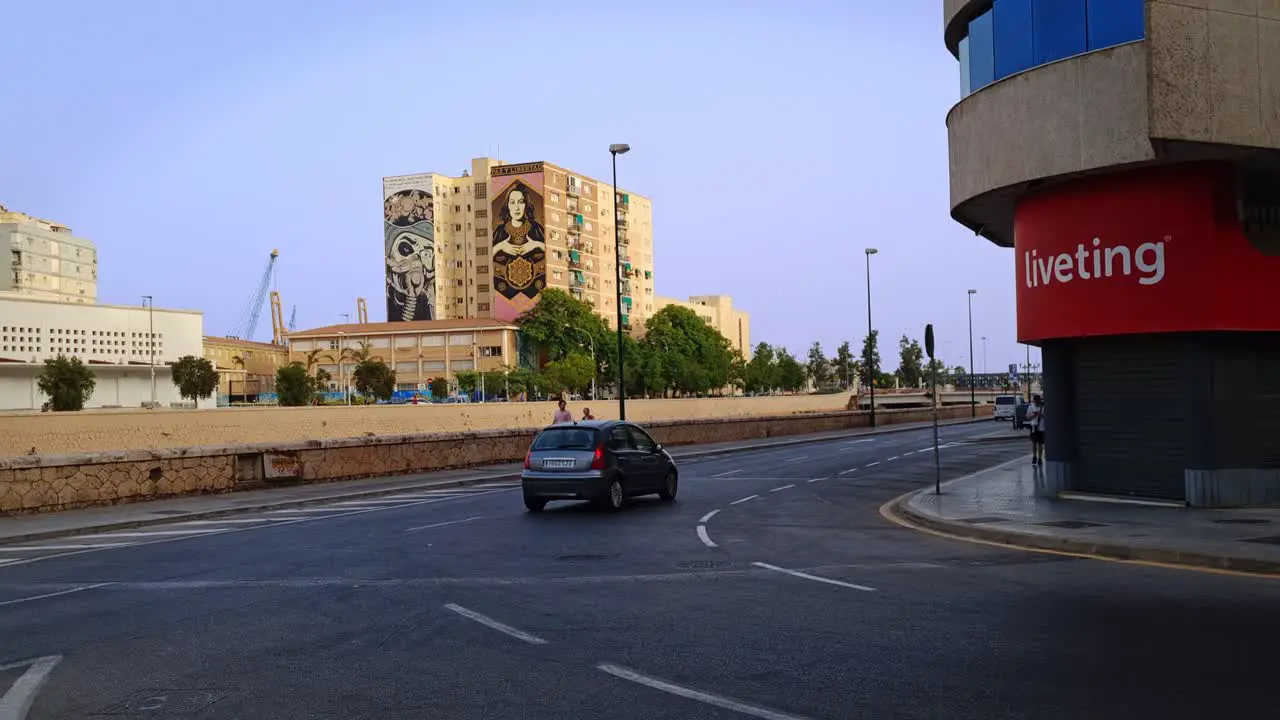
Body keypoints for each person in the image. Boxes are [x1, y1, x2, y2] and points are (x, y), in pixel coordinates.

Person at [1026, 394, 1045, 466]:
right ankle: (1034, 456)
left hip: (1041, 427)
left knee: (1040, 444)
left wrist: (1041, 415)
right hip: (1033, 426)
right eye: (1035, 400)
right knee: (1034, 443)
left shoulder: (1043, 407)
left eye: (1038, 400)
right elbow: (1028, 417)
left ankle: (1040, 458)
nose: (1036, 402)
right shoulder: (1031, 407)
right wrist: (1034, 415)